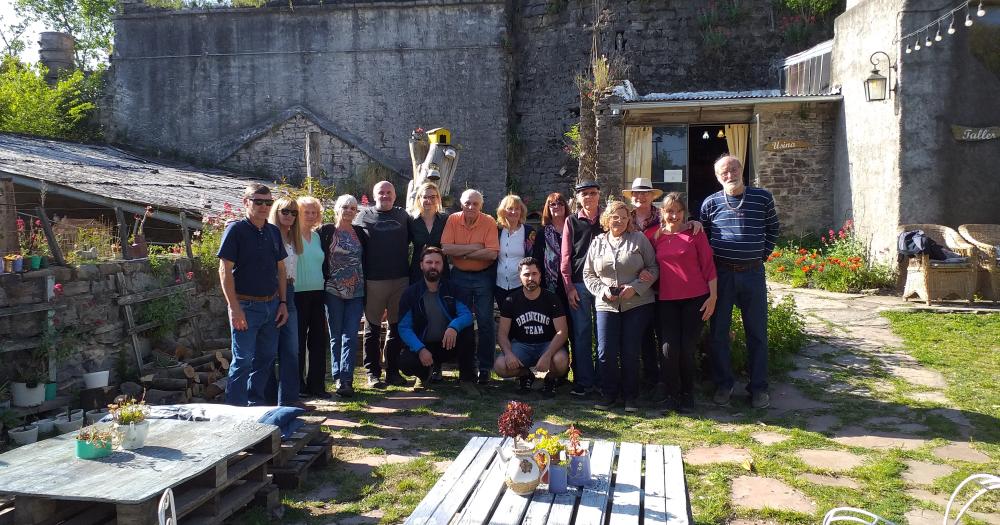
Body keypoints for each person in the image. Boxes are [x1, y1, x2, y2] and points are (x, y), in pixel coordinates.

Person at [700, 154, 779, 409]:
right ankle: (724, 384)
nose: (729, 174)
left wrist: (761, 254)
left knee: (757, 333)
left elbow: (773, 228)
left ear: (741, 170)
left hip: (753, 274)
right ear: (717, 176)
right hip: (722, 275)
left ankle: (758, 388)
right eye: (724, 171)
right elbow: (704, 238)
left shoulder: (762, 198)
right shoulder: (710, 203)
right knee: (719, 333)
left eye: (733, 168)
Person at [217, 183, 288, 406]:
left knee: (266, 359)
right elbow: (224, 269)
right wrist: (234, 307)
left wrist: (283, 302)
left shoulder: (273, 231)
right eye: (258, 201)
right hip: (246, 307)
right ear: (246, 202)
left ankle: (255, 407)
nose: (264, 206)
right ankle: (234, 411)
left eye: (268, 202)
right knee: (243, 361)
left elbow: (281, 269)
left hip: (271, 306)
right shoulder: (236, 230)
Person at [584, 201, 658, 413]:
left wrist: (635, 287)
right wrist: (602, 290)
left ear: (629, 220)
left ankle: (631, 396)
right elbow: (588, 274)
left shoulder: (639, 239)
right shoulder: (597, 242)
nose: (620, 220)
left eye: (624, 217)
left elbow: (653, 267)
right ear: (607, 219)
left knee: (630, 351)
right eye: (615, 217)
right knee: (605, 350)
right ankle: (608, 394)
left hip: (637, 303)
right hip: (606, 304)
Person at [652, 192, 717, 413]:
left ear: (684, 213)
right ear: (662, 212)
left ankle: (688, 394)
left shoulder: (695, 233)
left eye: (678, 211)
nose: (674, 215)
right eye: (669, 211)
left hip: (695, 298)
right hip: (667, 299)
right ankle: (672, 394)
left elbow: (708, 265)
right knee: (669, 349)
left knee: (687, 349)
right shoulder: (656, 236)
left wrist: (713, 297)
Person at [354, 181, 412, 388]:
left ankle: (393, 372)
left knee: (395, 328)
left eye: (389, 192)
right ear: (374, 194)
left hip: (400, 279)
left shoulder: (403, 216)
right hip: (373, 280)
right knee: (372, 327)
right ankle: (372, 372)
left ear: (395, 196)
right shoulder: (363, 216)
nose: (385, 195)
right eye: (381, 192)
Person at [441, 189, 500, 384]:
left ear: (481, 206)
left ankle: (485, 368)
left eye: (475, 204)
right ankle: (466, 367)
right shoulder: (452, 220)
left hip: (484, 276)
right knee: (461, 320)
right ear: (461, 203)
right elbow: (446, 249)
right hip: (459, 276)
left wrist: (462, 253)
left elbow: (492, 254)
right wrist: (475, 248)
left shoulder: (489, 221)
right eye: (467, 203)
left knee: (485, 323)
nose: (471, 207)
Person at [398, 247, 477, 389]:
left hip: (448, 344)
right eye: (429, 262)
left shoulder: (453, 289)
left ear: (443, 265)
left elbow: (466, 315)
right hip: (424, 345)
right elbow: (404, 327)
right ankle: (424, 375)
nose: (433, 266)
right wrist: (420, 349)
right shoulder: (410, 293)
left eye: (437, 262)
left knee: (468, 333)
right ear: (421, 265)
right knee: (406, 362)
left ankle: (466, 380)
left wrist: (454, 326)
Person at [493, 257, 569, 398]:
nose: (530, 278)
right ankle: (525, 375)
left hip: (546, 345)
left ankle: (551, 378)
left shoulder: (552, 299)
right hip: (521, 345)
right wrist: (509, 354)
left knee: (561, 361)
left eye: (534, 274)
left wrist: (548, 355)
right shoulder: (511, 300)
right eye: (526, 274)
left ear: (540, 276)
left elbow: (562, 332)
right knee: (500, 366)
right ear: (520, 277)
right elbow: (502, 333)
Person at [320, 195, 366, 398]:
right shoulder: (326, 231)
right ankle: (337, 376)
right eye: (344, 207)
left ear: (357, 212)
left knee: (350, 334)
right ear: (337, 209)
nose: (348, 210)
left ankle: (347, 379)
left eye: (352, 208)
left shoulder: (360, 233)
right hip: (332, 289)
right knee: (335, 334)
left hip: (356, 290)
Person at [560, 181, 603, 397]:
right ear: (577, 198)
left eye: (593, 193)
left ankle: (604, 381)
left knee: (604, 335)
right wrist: (569, 288)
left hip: (605, 284)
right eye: (584, 194)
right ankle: (584, 382)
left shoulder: (607, 218)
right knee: (582, 333)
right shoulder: (572, 221)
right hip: (579, 284)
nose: (589, 197)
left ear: (599, 195)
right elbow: (566, 257)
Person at [623, 177, 665, 398]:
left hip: (661, 281)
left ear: (652, 196)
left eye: (644, 193)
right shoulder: (626, 217)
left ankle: (662, 380)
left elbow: (679, 230)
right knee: (643, 334)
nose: (640, 197)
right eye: (636, 194)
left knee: (662, 332)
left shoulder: (662, 216)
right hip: (636, 286)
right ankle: (647, 377)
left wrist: (693, 223)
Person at [264, 197, 302, 406]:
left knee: (291, 348)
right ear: (276, 212)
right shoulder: (270, 234)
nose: (290, 216)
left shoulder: (292, 237)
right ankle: (268, 400)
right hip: (273, 292)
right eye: (285, 211)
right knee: (269, 349)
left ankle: (288, 400)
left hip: (290, 290)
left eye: (294, 212)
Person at [534, 192, 573, 384]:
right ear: (547, 209)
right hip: (551, 288)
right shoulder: (543, 233)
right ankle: (559, 373)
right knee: (556, 331)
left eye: (559, 203)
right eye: (552, 204)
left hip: (572, 286)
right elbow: (537, 261)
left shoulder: (574, 227)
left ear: (565, 206)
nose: (556, 207)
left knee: (575, 330)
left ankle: (580, 373)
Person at [295, 196, 330, 398]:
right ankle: (298, 386)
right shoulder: (290, 236)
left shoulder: (317, 237)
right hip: (296, 294)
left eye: (314, 212)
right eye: (306, 211)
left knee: (318, 341)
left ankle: (316, 386)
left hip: (318, 293)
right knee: (298, 342)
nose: (310, 215)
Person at [495, 194, 537, 306]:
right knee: (504, 317)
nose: (513, 212)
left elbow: (534, 257)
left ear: (521, 211)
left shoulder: (529, 232)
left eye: (517, 209)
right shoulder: (496, 231)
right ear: (503, 211)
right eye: (510, 208)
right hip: (499, 284)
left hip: (521, 284)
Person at [408, 182, 449, 284]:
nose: (429, 200)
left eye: (433, 197)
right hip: (418, 270)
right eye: (425, 197)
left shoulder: (446, 219)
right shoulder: (411, 220)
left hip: (440, 269)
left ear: (438, 199)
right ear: (419, 199)